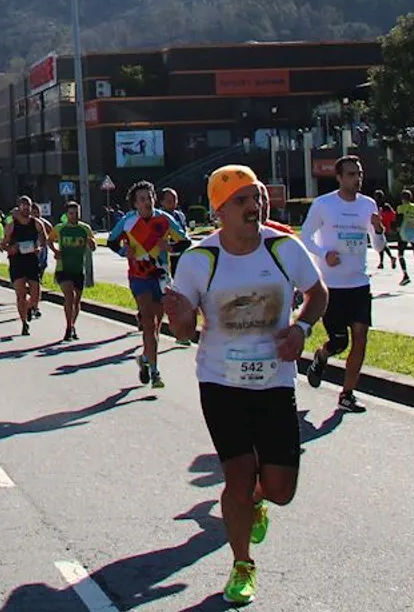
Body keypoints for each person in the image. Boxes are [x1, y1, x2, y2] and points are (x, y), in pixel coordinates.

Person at [164, 164, 327, 608]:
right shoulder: (200, 260)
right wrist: (176, 314)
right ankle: (241, 564)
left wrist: (301, 330)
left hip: (274, 382)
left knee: (280, 489)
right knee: (237, 475)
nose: (253, 207)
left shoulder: (283, 250)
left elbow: (318, 293)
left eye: (256, 197)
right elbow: (183, 330)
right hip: (221, 383)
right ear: (220, 210)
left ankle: (259, 500)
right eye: (241, 200)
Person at [300, 154, 378, 413]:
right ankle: (322, 355)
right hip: (331, 286)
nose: (357, 179)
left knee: (361, 336)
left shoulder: (368, 205)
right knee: (339, 342)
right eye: (351, 174)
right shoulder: (324, 204)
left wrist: (378, 231)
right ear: (339, 178)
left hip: (359, 283)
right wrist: (324, 254)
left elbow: (378, 245)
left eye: (359, 174)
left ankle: (347, 394)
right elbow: (305, 236)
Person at [108, 181, 187, 386]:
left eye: (150, 197)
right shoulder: (128, 221)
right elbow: (111, 241)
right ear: (135, 203)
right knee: (149, 323)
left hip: (161, 276)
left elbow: (185, 241)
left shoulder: (164, 219)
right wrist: (125, 251)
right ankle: (155, 372)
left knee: (157, 325)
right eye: (142, 199)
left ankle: (145, 358)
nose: (147, 202)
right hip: (139, 277)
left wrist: (169, 247)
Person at [3, 197, 51, 336]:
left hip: (31, 261)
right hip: (17, 262)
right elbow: (3, 244)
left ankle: (30, 307)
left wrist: (39, 248)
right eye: (23, 205)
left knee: (36, 295)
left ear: (31, 208)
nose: (25, 208)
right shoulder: (11, 225)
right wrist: (12, 248)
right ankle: (24, 323)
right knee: (21, 295)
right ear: (18, 207)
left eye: (28, 206)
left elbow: (44, 240)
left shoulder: (36, 224)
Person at [52, 199, 96, 342]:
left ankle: (72, 325)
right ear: (67, 214)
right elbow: (48, 240)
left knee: (76, 301)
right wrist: (55, 250)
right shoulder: (60, 228)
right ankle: (68, 328)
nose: (74, 216)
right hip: (63, 267)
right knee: (69, 297)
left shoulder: (85, 228)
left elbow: (93, 246)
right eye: (71, 213)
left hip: (78, 268)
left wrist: (91, 243)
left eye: (76, 213)